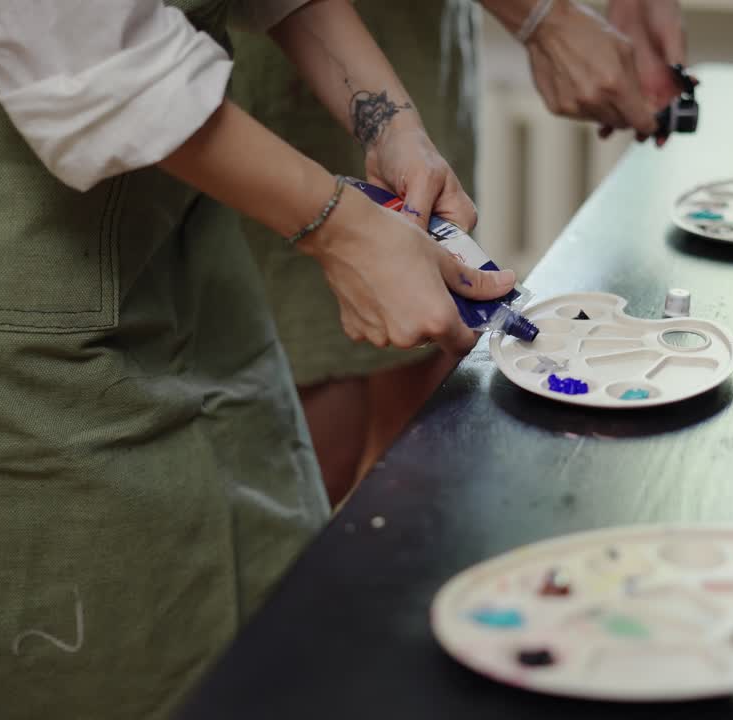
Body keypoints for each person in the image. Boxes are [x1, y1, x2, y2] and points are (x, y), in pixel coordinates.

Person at [0, 1, 514, 717]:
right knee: (46, 648)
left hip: (169, 223)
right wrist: (341, 229)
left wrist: (394, 127)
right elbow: (89, 49)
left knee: (262, 601)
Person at [235, 0, 688, 505]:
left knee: (428, 434)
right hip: (261, 117)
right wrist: (543, 17)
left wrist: (396, 130)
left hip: (381, 58)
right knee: (320, 449)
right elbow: (149, 86)